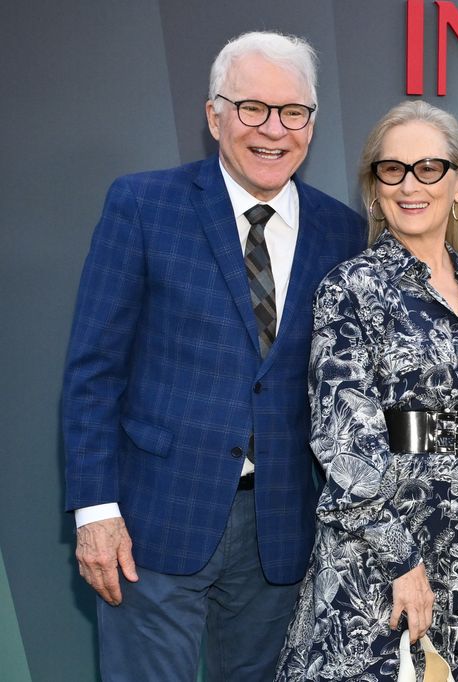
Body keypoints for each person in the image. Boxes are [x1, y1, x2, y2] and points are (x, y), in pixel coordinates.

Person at [61, 31, 364, 681]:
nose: (272, 129)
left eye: (293, 112)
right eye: (251, 107)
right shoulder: (144, 205)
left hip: (279, 530)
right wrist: (95, 511)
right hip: (150, 521)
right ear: (213, 115)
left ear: (311, 124)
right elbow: (94, 370)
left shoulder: (343, 231)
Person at [275, 100, 458, 681]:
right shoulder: (350, 289)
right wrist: (401, 559)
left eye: (429, 168)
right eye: (391, 170)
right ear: (374, 188)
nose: (410, 185)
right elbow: (342, 438)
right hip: (386, 550)